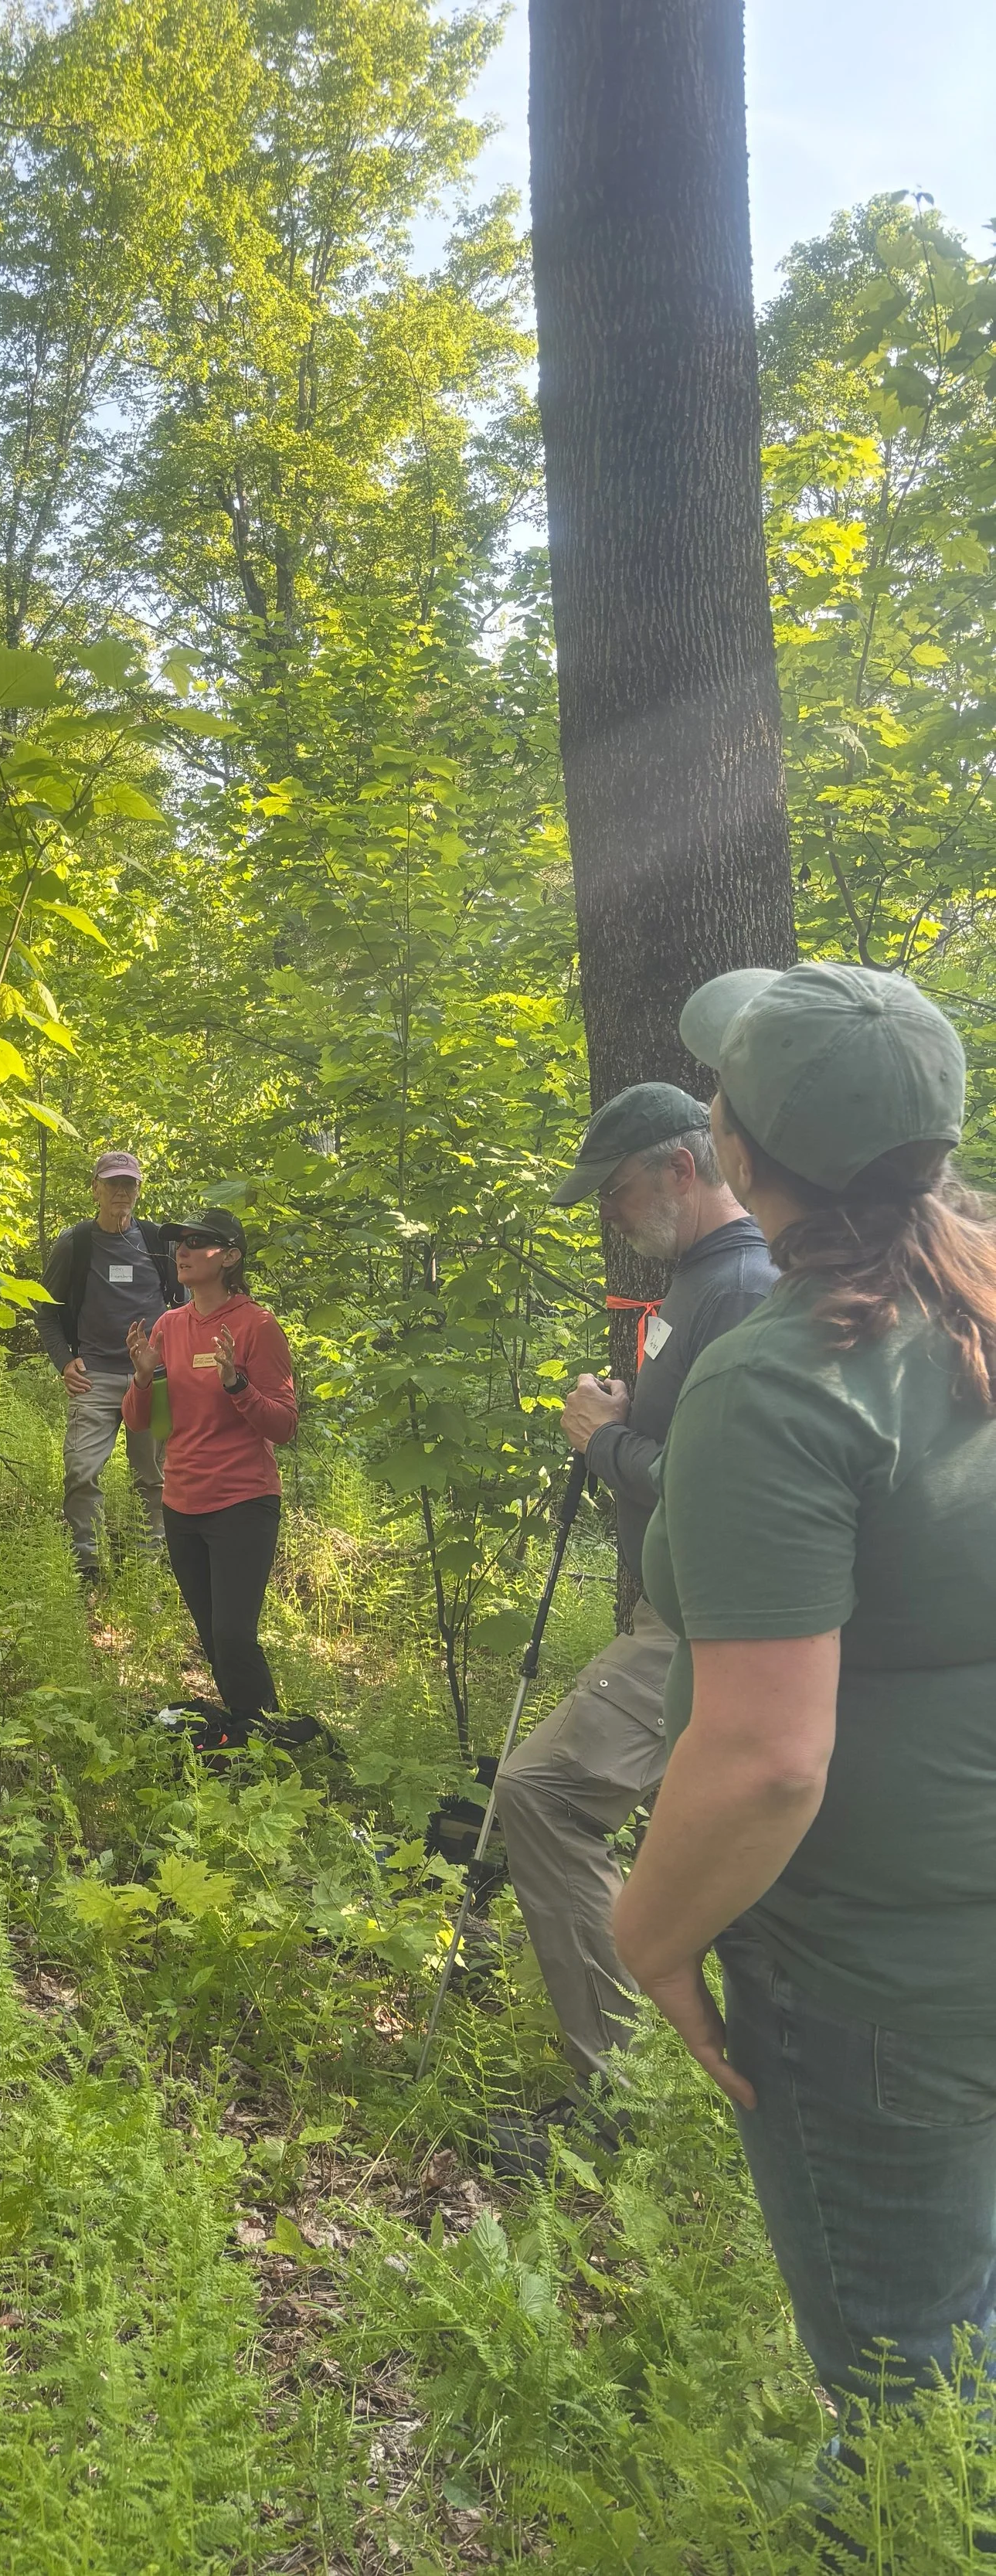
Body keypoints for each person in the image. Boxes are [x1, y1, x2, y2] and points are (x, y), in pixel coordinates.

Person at [615, 962, 996, 2414]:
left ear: (735, 1148)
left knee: (909, 2387)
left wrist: (649, 1934)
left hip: (877, 1984)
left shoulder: (784, 1379)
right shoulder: (973, 1304)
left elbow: (768, 1757)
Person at [491, 1084, 775, 2109]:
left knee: (540, 1792)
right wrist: (623, 1413)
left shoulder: (741, 1288)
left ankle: (616, 2096)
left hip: (708, 1620)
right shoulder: (700, 1281)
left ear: (682, 1169)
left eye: (612, 1191)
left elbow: (730, 1485)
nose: (605, 1213)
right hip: (683, 1610)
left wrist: (601, 1441)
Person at [123, 1209, 297, 1742]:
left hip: (243, 1501)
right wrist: (144, 1375)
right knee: (212, 1634)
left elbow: (285, 1424)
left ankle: (266, 1734)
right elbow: (142, 1421)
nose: (184, 1250)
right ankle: (245, 1738)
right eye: (180, 1242)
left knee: (234, 1633)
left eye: (200, 1242)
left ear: (232, 1257)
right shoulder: (169, 1325)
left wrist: (236, 1384)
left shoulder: (257, 1326)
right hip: (182, 1503)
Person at [36, 1148, 179, 1579]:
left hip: (152, 1380)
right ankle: (88, 1569)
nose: (121, 1191)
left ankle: (147, 1571)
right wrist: (64, 1361)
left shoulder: (157, 1243)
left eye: (129, 1184)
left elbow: (183, 1311)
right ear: (96, 1189)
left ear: (139, 1190)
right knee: (81, 1471)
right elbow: (44, 1309)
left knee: (154, 1479)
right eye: (113, 1183)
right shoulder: (76, 1242)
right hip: (94, 1377)